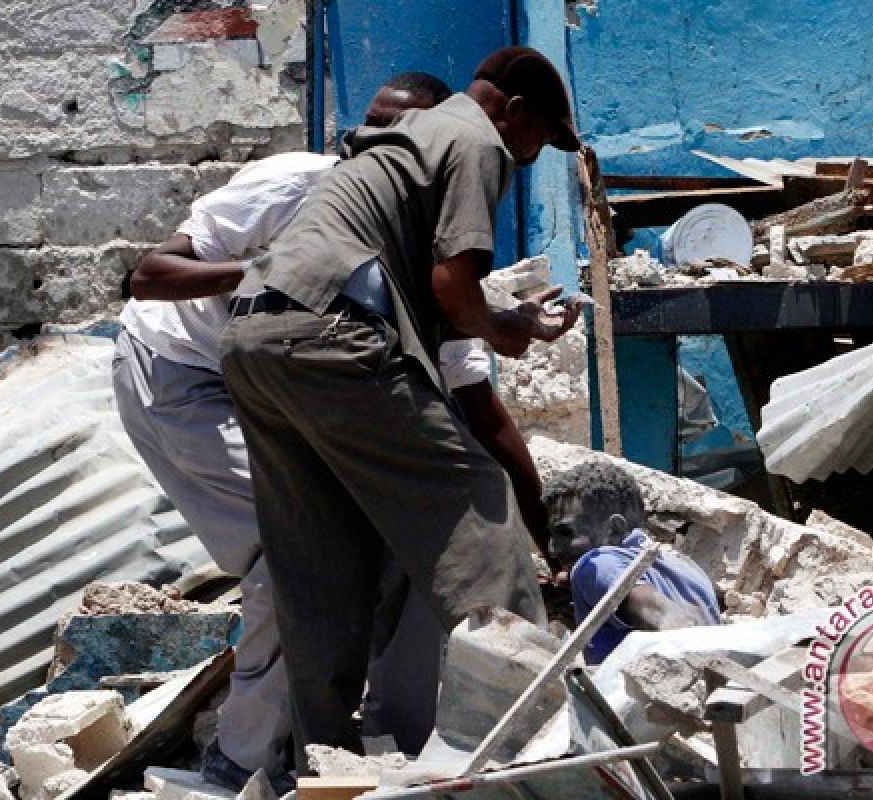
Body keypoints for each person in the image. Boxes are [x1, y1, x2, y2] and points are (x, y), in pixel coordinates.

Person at [114, 73, 544, 791]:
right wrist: (269, 269)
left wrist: (545, 532)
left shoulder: (428, 240)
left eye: (394, 136)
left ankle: (380, 746)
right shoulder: (298, 185)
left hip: (277, 387)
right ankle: (245, 762)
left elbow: (479, 410)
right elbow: (149, 276)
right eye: (365, 128)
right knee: (285, 560)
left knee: (389, 542)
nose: (366, 147)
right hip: (182, 374)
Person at [218, 45, 583, 765]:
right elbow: (454, 289)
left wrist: (507, 318)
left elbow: (427, 299)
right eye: (540, 139)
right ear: (512, 112)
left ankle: (325, 761)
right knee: (476, 505)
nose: (533, 156)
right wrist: (504, 326)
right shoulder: (478, 139)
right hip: (331, 338)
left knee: (320, 556)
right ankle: (525, 740)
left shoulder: (398, 143)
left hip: (256, 338)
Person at [542, 460, 722, 665]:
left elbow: (645, 603)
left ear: (615, 530)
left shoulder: (595, 564)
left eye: (566, 533)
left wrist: (670, 618)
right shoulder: (684, 566)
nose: (552, 549)